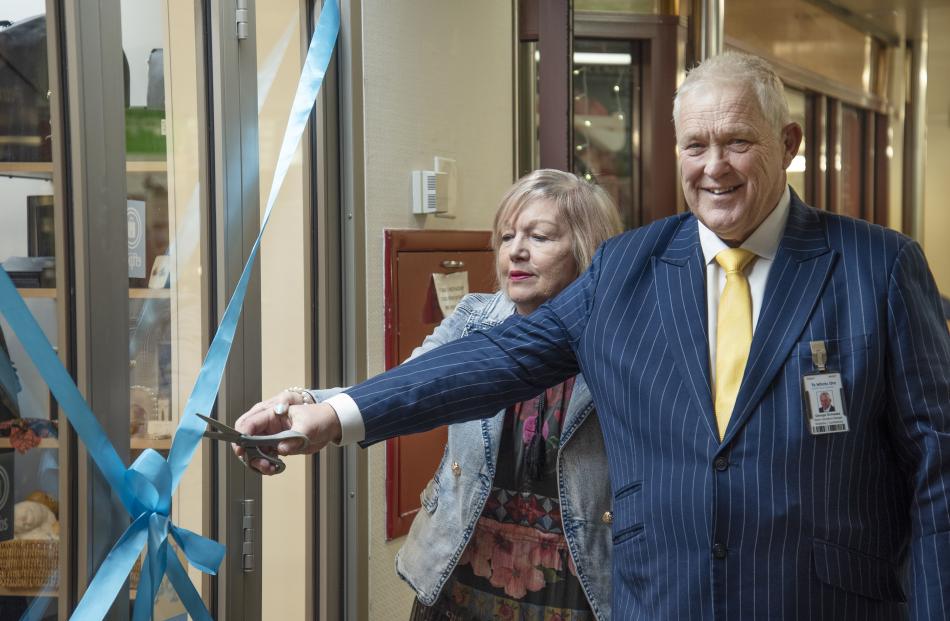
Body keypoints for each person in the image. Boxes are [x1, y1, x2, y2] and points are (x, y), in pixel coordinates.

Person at [237, 52, 950, 619]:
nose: (713, 167)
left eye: (737, 142)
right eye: (695, 145)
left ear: (787, 144)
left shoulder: (878, 268)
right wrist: (332, 413)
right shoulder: (628, 267)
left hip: (820, 604)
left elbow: (937, 470)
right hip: (660, 601)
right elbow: (500, 354)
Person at [242, 170, 622, 619]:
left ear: (585, 249)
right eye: (505, 237)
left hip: (580, 586)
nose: (516, 250)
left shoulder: (618, 335)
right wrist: (303, 404)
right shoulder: (474, 317)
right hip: (458, 576)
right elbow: (408, 387)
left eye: (539, 236)